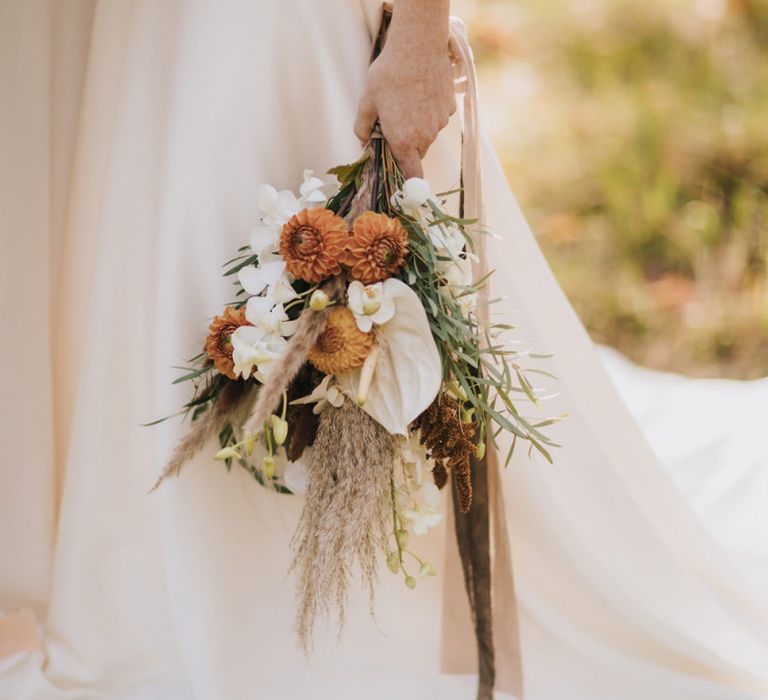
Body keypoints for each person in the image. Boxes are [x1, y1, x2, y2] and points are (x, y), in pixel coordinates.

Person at [1, 1, 766, 698]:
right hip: (118, 37)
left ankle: (293, 621)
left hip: (267, 31)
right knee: (138, 285)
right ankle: (134, 588)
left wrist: (420, 32)